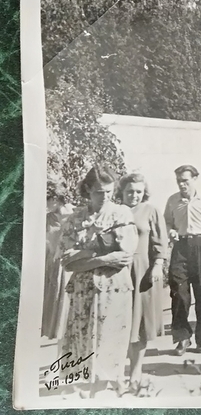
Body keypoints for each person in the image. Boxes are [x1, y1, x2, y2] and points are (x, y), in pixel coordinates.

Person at [57, 166, 138, 398]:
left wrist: (84, 253)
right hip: (83, 289)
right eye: (99, 192)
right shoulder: (75, 219)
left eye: (109, 191)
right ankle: (88, 387)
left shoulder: (122, 214)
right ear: (88, 191)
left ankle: (104, 387)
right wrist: (102, 258)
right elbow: (67, 262)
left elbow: (124, 256)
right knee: (83, 337)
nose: (105, 197)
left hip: (113, 288)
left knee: (109, 338)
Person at [164, 165, 201, 356]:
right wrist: (170, 231)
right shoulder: (172, 201)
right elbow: (167, 222)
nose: (182, 184)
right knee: (179, 294)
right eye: (179, 181)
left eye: (185, 180)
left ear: (195, 179)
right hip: (181, 247)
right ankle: (182, 337)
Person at [117, 172, 168, 394]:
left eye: (138, 191)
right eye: (130, 191)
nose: (134, 195)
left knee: (138, 325)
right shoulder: (115, 211)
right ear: (122, 192)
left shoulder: (151, 210)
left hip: (142, 272)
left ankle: (135, 373)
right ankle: (119, 373)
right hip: (117, 272)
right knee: (119, 323)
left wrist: (157, 266)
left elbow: (160, 243)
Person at [42, 187, 74, 340]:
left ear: (55, 199)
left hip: (69, 261)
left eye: (47, 199)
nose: (45, 203)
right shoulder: (47, 218)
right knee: (51, 294)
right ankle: (50, 330)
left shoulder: (74, 215)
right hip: (51, 262)